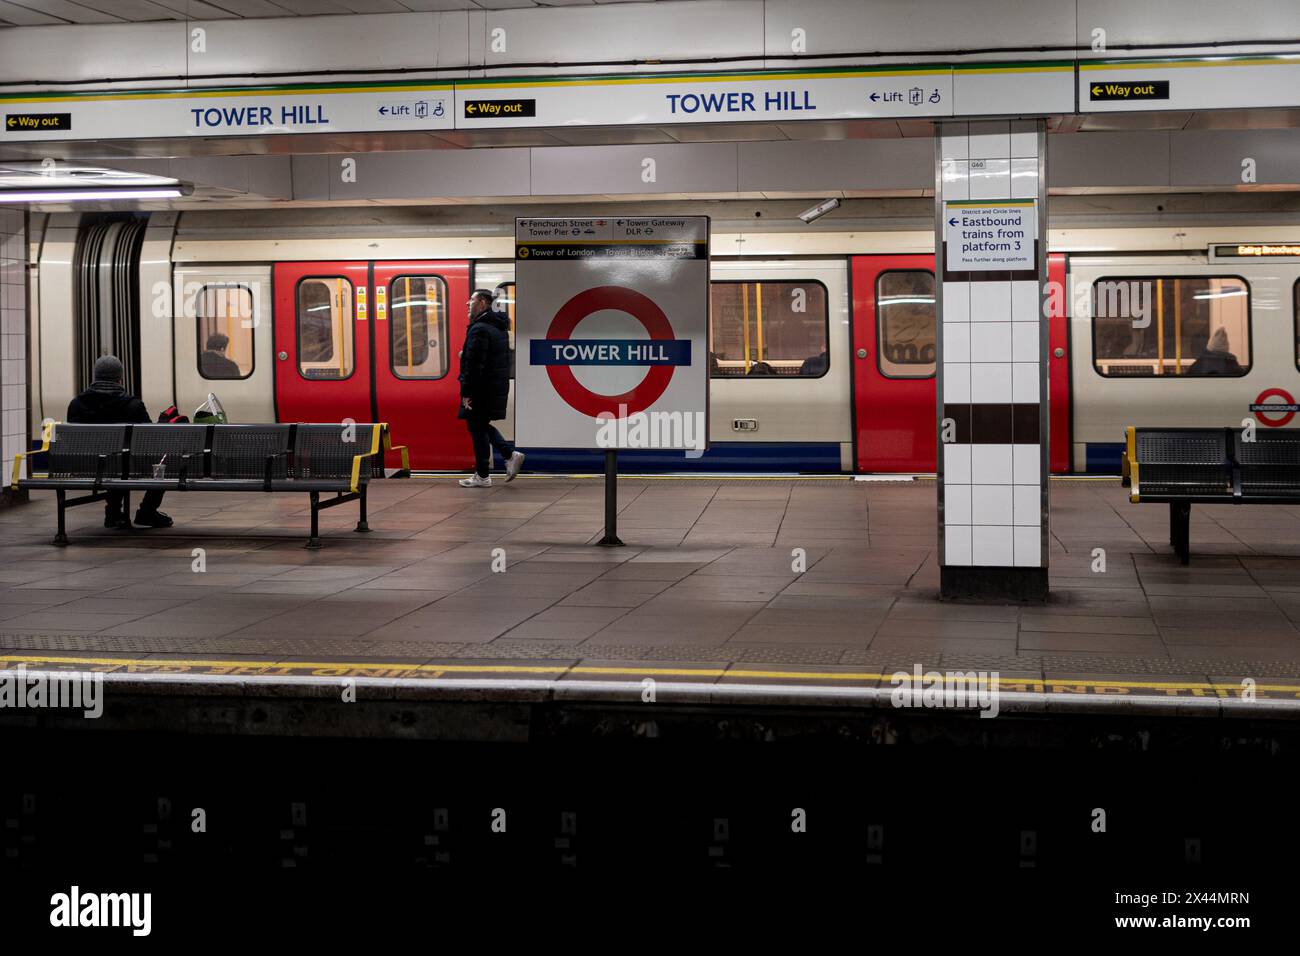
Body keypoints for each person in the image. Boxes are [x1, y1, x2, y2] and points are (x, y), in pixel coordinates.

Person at [66, 355, 172, 529]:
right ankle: (147, 511)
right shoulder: (133, 405)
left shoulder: (76, 404)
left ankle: (114, 512)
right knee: (159, 462)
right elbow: (150, 442)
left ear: (95, 377)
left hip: (86, 466)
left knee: (114, 460)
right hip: (126, 466)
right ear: (120, 379)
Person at [457, 289, 524, 488]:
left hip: (480, 389)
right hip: (492, 386)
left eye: (472, 300)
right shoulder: (497, 327)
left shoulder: (480, 329)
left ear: (484, 303)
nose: (468, 304)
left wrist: (467, 392)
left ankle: (488, 471)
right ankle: (498, 462)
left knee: (476, 427)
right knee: (478, 426)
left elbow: (474, 364)